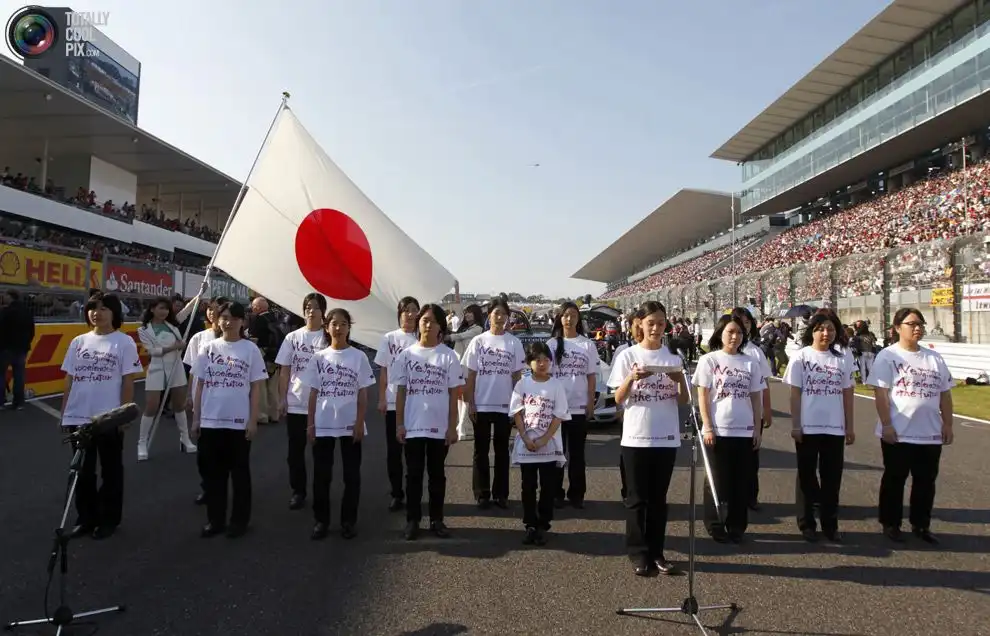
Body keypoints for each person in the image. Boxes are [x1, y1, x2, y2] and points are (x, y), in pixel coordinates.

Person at [607, 301, 687, 577]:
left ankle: (657, 552)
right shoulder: (627, 355)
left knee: (658, 499)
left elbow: (683, 400)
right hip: (636, 437)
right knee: (636, 498)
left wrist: (679, 379)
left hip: (666, 437)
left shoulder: (673, 356)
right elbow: (618, 398)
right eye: (651, 323)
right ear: (640, 324)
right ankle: (638, 553)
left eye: (661, 323)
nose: (656, 328)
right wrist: (632, 377)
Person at [59, 292, 144, 540]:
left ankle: (109, 519)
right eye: (93, 308)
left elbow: (128, 381)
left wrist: (123, 415)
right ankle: (86, 518)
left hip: (108, 418)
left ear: (114, 313)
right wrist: (64, 412)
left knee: (111, 470)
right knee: (82, 472)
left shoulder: (124, 342)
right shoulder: (78, 342)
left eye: (104, 308)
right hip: (79, 416)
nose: (97, 313)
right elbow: (69, 379)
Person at [868, 307, 954, 545]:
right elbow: (881, 394)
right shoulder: (887, 356)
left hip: (930, 432)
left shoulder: (934, 358)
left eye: (920, 324)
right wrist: (886, 424)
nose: (917, 328)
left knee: (926, 481)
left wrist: (948, 424)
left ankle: (921, 524)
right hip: (899, 431)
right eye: (912, 324)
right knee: (895, 479)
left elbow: (945, 394)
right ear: (897, 328)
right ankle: (891, 523)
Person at [192, 301, 268, 539]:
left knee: (239, 474)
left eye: (234, 318)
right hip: (211, 421)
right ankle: (215, 520)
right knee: (214, 475)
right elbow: (199, 385)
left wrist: (252, 420)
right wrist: (196, 418)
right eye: (224, 317)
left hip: (238, 422)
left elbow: (256, 388)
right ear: (217, 320)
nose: (228, 322)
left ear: (242, 322)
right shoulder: (208, 348)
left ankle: (239, 521)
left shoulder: (250, 350)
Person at [300, 308, 375, 540]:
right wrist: (310, 424)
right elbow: (313, 393)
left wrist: (360, 422)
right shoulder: (319, 358)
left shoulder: (358, 357)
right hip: (323, 424)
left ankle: (348, 521)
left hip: (349, 424)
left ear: (349, 328)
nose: (339, 328)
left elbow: (363, 394)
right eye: (334, 323)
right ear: (327, 327)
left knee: (351, 476)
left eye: (343, 324)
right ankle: (321, 520)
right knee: (322, 475)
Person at [783, 311, 855, 543]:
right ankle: (806, 523)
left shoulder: (842, 358)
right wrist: (796, 425)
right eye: (821, 329)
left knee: (832, 478)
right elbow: (795, 394)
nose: (826, 333)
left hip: (835, 428)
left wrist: (850, 426)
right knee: (806, 476)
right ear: (812, 331)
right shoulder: (801, 357)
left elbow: (848, 394)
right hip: (808, 427)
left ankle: (830, 525)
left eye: (831, 329)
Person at [692, 314, 764, 544]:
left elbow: (756, 398)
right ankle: (715, 524)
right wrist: (707, 426)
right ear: (720, 333)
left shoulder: (750, 362)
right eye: (730, 332)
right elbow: (702, 396)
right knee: (716, 480)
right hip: (718, 430)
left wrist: (757, 428)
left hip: (744, 430)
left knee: (741, 481)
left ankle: (737, 525)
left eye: (739, 332)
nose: (735, 336)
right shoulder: (709, 360)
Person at [393, 303, 462, 540]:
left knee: (437, 476)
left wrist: (452, 427)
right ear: (418, 323)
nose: (428, 324)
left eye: (433, 321)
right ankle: (412, 520)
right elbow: (401, 392)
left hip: (439, 428)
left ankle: (436, 519)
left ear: (441, 326)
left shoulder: (449, 356)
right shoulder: (406, 355)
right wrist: (399, 424)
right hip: (413, 426)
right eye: (424, 320)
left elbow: (454, 395)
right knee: (413, 476)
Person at [463, 299, 526, 509]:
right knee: (480, 450)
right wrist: (470, 402)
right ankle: (482, 494)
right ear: (489, 315)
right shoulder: (478, 341)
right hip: (481, 404)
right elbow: (471, 375)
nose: (499, 317)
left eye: (503, 313)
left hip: (504, 406)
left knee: (501, 451)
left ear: (508, 317)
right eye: (496, 313)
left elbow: (517, 377)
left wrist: (518, 406)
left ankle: (501, 494)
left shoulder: (513, 343)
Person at [509, 342, 567, 546]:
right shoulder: (522, 385)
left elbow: (559, 415)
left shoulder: (556, 385)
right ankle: (530, 525)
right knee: (528, 486)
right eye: (537, 360)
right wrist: (526, 438)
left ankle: (543, 523)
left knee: (548, 487)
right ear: (529, 362)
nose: (542, 364)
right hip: (527, 446)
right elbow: (517, 413)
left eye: (546, 359)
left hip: (549, 445)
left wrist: (544, 439)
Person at [275, 293, 329, 511]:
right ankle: (298, 491)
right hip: (297, 402)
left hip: (323, 404)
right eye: (307, 307)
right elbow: (284, 370)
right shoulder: (293, 338)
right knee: (295, 452)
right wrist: (282, 399)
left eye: (315, 307)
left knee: (321, 453)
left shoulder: (328, 337)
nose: (310, 311)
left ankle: (321, 492)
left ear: (323, 311)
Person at [547, 301, 600, 509]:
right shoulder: (552, 344)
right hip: (556, 410)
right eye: (565, 315)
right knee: (557, 454)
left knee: (577, 455)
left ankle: (577, 494)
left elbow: (591, 377)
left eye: (573, 315)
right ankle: (555, 493)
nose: (569, 319)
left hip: (578, 408)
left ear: (579, 319)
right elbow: (545, 376)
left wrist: (590, 403)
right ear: (560, 318)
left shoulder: (587, 345)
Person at [374, 296, 420, 512]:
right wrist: (382, 398)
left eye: (414, 310)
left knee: (414, 453)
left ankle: (413, 493)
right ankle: (396, 493)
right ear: (399, 314)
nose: (410, 314)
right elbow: (384, 370)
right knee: (394, 452)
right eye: (406, 310)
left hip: (418, 404)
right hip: (393, 402)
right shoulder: (389, 338)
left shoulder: (422, 338)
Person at [136, 297, 196, 460]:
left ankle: (185, 439)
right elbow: (152, 351)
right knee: (151, 406)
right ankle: (142, 442)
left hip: (176, 368)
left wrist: (199, 294)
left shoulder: (172, 324)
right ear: (152, 309)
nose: (164, 312)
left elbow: (187, 310)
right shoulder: (144, 329)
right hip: (157, 369)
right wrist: (174, 347)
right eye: (161, 308)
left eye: (166, 309)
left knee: (179, 406)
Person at [183, 296, 227, 506]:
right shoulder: (198, 338)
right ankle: (208, 487)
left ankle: (220, 488)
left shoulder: (235, 339)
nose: (212, 312)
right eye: (209, 309)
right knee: (205, 452)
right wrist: (189, 395)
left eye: (216, 309)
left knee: (223, 451)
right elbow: (194, 370)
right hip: (202, 399)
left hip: (225, 402)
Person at [730, 307, 773, 512]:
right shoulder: (719, 351)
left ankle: (750, 496)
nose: (743, 326)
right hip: (728, 414)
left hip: (752, 413)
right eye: (739, 322)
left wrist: (767, 409)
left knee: (751, 456)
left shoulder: (755, 351)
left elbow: (765, 383)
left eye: (746, 323)